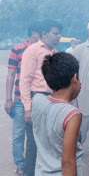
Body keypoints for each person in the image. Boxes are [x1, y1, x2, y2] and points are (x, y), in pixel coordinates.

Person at [20, 19, 63, 176]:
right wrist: (27, 108)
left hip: (53, 102)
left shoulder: (55, 53)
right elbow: (25, 80)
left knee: (50, 144)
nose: (58, 36)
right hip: (37, 99)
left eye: (59, 34)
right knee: (33, 144)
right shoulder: (33, 50)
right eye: (55, 33)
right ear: (45, 34)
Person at [32, 52, 83, 176]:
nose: (80, 84)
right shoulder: (72, 114)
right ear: (75, 78)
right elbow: (67, 162)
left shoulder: (37, 100)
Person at [4, 22, 41, 176]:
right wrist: (8, 99)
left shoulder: (43, 50)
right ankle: (20, 165)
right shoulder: (17, 50)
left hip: (38, 100)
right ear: (34, 33)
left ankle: (33, 164)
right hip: (19, 100)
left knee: (36, 135)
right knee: (19, 134)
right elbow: (11, 74)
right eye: (41, 33)